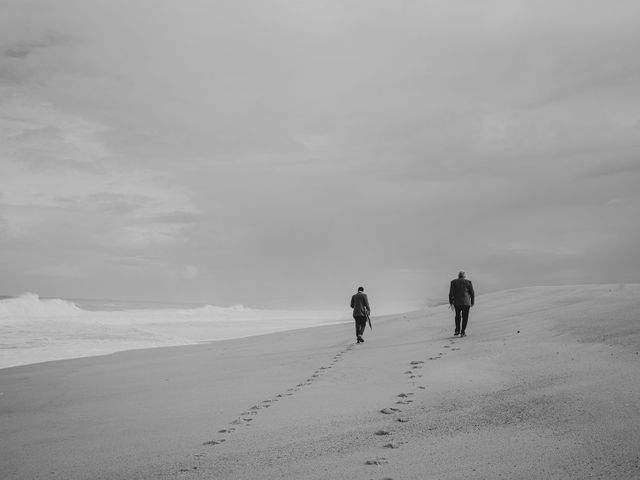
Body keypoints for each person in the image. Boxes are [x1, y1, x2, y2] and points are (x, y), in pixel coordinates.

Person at [449, 271, 475, 337]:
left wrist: (451, 302)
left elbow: (450, 293)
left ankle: (457, 330)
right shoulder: (468, 282)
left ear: (458, 276)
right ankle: (463, 332)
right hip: (466, 303)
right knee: (465, 317)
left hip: (457, 302)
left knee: (457, 316)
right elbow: (472, 293)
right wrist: (472, 302)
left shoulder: (453, 282)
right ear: (464, 276)